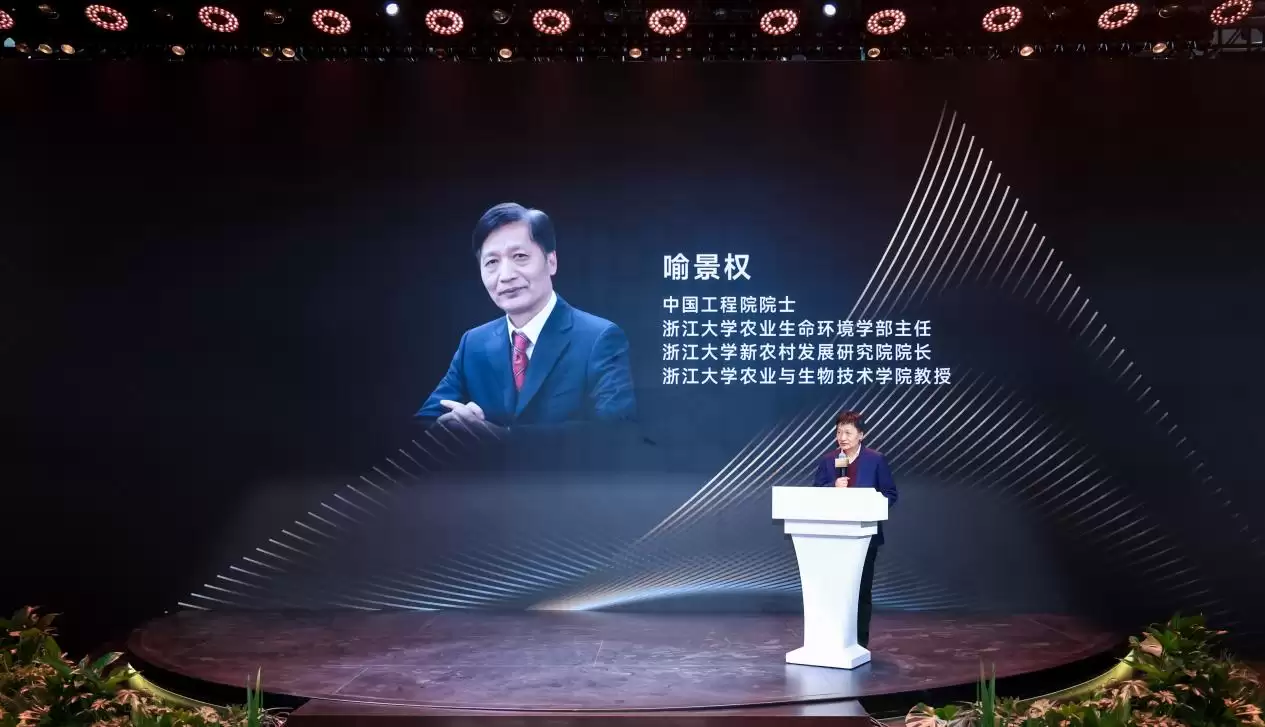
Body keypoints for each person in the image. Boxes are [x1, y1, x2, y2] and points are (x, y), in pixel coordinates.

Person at [415, 203, 637, 432]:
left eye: (520, 256)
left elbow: (615, 433)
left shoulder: (599, 338)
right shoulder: (473, 344)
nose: (506, 276)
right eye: (492, 262)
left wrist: (499, 437)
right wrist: (457, 423)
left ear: (551, 261)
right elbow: (425, 420)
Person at [812, 410, 898, 648]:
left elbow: (890, 494)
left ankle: (859, 643)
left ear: (861, 435)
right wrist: (833, 487)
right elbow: (815, 493)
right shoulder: (828, 460)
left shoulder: (876, 460)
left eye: (848, 433)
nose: (842, 437)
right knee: (833, 591)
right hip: (832, 537)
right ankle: (832, 641)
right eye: (839, 432)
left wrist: (870, 508)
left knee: (861, 590)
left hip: (865, 536)